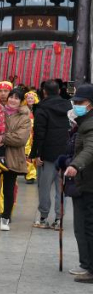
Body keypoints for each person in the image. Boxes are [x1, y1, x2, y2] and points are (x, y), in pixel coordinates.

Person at [0, 89, 30, 233]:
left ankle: (5, 218)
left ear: (21, 101)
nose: (13, 100)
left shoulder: (24, 118)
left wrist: (1, 138)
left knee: (8, 191)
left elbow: (21, 138)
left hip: (12, 159)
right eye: (11, 97)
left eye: (17, 98)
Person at [30, 80, 71, 229]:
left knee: (44, 187)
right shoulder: (69, 106)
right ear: (59, 91)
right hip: (65, 155)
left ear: (44, 92)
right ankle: (59, 220)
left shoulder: (41, 108)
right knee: (61, 188)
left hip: (47, 154)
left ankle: (43, 218)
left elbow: (39, 133)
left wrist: (36, 153)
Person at [63, 83, 93, 283]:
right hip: (84, 181)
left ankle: (90, 268)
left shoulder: (90, 124)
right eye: (75, 102)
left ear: (90, 104)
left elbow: (90, 149)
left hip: (89, 183)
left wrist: (75, 165)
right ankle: (86, 264)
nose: (76, 105)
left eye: (80, 102)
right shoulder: (82, 122)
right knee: (81, 226)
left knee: (87, 226)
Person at [23, 91, 39, 184]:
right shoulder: (23, 109)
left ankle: (33, 173)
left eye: (31, 98)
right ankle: (30, 175)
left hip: (36, 135)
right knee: (28, 155)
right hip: (27, 136)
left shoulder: (38, 109)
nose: (30, 99)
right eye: (28, 98)